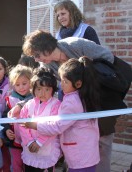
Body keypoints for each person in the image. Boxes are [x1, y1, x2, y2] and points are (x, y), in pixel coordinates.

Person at [18, 30, 131, 172]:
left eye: (37, 55)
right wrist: (21, 104)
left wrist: (88, 79)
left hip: (100, 98)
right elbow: (42, 89)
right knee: (77, 138)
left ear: (46, 48)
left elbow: (107, 58)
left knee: (103, 139)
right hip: (76, 104)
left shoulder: (77, 45)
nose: (36, 59)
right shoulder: (47, 66)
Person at [26, 57, 101, 172]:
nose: (61, 84)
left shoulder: (71, 101)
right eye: (61, 80)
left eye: (65, 81)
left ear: (78, 83)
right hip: (88, 151)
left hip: (79, 155)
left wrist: (35, 125)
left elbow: (58, 126)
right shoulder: (85, 95)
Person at [19, 67, 61, 172]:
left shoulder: (56, 105)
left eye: (47, 89)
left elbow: (53, 127)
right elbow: (22, 124)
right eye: (39, 89)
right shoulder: (29, 105)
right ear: (33, 89)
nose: (42, 93)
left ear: (53, 89)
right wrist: (29, 142)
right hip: (29, 149)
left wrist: (39, 142)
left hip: (47, 149)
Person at [2, 64, 33, 172]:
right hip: (14, 140)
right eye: (17, 84)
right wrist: (6, 130)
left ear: (31, 82)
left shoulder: (36, 98)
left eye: (24, 83)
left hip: (31, 140)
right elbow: (4, 118)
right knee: (16, 165)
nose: (21, 87)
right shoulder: (10, 100)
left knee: (30, 166)